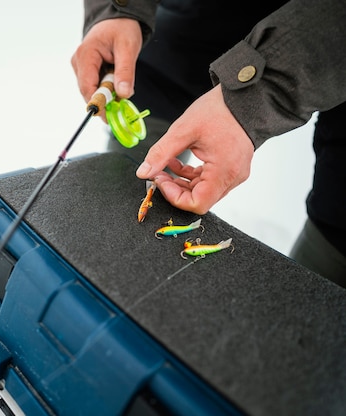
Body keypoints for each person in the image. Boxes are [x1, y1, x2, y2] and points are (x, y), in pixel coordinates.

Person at [71, 0, 346, 286]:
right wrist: (118, 10)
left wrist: (251, 98)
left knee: (338, 216)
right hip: (196, 25)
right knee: (161, 77)